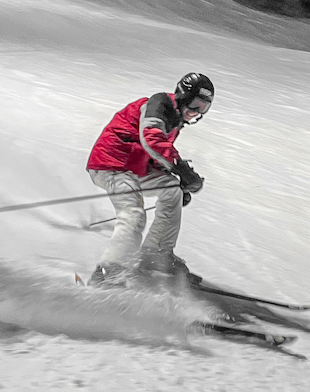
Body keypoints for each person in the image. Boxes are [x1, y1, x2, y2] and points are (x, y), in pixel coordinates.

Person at [86, 73, 214, 286]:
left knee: (172, 190)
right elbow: (152, 141)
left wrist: (178, 180)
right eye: (195, 104)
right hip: (111, 165)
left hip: (135, 169)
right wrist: (182, 169)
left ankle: (155, 256)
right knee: (134, 215)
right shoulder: (160, 104)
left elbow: (150, 154)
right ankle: (108, 273)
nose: (196, 112)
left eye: (204, 108)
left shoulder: (175, 118)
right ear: (182, 97)